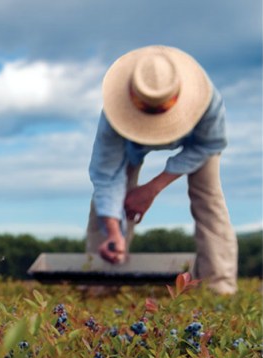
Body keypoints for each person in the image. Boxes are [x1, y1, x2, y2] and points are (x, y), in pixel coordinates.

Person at [86, 45, 237, 294]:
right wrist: (113, 229)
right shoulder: (114, 116)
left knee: (208, 198)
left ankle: (218, 284)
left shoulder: (208, 101)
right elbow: (106, 175)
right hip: (130, 147)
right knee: (105, 209)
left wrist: (152, 188)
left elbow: (211, 144)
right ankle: (100, 281)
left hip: (199, 146)